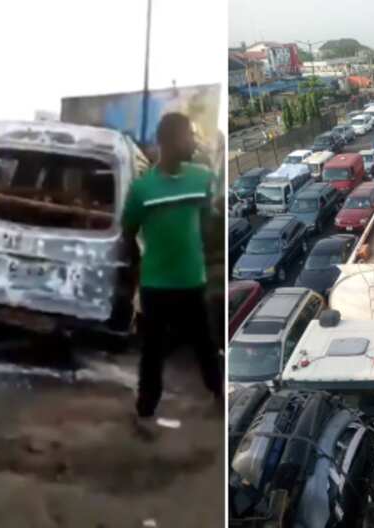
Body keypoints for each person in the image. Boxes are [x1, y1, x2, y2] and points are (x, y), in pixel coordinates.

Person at [121, 112, 223, 430]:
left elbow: (208, 219)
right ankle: (145, 411)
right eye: (188, 135)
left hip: (192, 282)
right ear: (168, 141)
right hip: (155, 286)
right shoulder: (142, 190)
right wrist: (134, 274)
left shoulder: (202, 178)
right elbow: (128, 233)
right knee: (152, 352)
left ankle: (219, 395)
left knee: (204, 344)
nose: (193, 141)